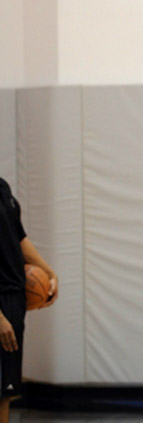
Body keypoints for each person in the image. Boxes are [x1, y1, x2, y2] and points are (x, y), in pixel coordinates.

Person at [0, 177, 59, 423]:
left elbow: (19, 238)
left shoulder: (2, 189)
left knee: (5, 390)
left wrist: (48, 272)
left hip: (14, 299)